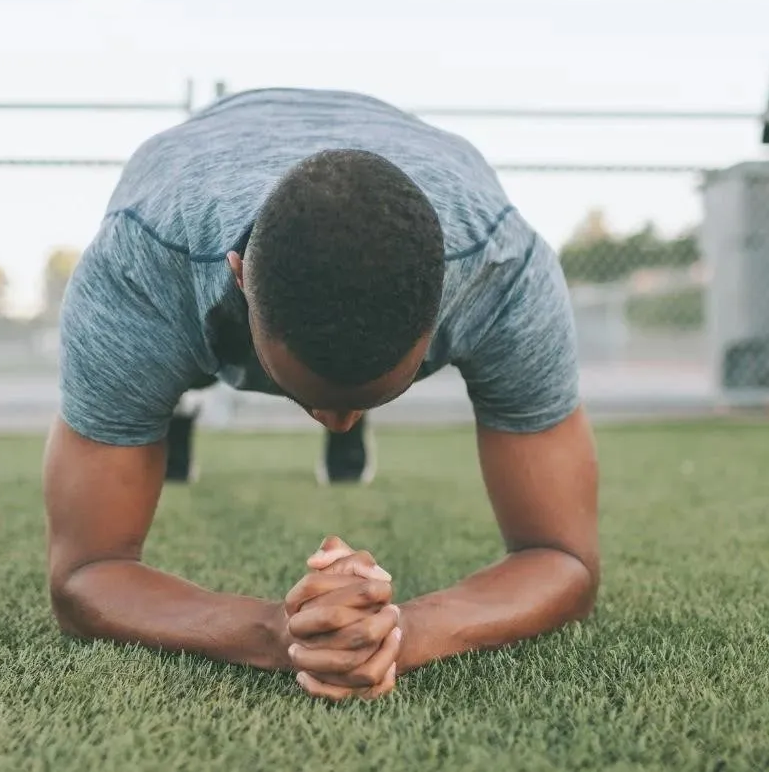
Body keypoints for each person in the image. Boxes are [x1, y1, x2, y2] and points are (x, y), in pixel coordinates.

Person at [42, 87, 600, 701]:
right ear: (239, 280)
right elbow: (85, 573)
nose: (335, 423)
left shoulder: (502, 270)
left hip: (429, 170)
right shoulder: (137, 269)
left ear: (447, 301)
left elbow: (564, 559)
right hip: (189, 207)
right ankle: (172, 404)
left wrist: (403, 632)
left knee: (336, 383)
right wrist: (276, 633)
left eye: (374, 395)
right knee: (157, 377)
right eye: (311, 396)